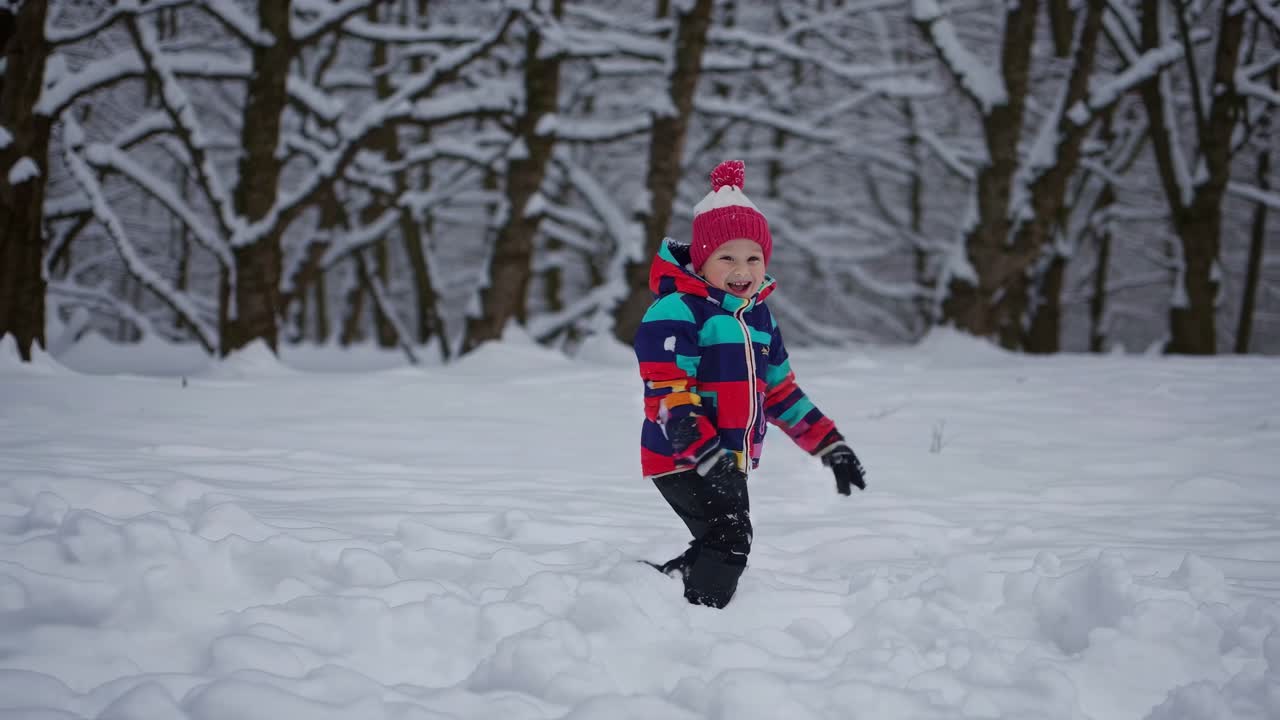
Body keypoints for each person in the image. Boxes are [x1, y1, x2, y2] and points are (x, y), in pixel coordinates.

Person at [633, 159, 868, 609]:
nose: (742, 269)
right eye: (727, 257)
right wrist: (703, 451)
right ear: (702, 261)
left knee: (722, 535)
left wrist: (829, 444)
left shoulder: (758, 319)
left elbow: (780, 393)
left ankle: (662, 587)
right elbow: (667, 393)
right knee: (732, 539)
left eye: (753, 258)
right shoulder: (678, 310)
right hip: (682, 455)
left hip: (727, 459)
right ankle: (702, 615)